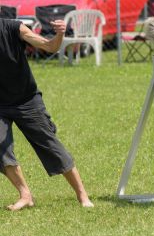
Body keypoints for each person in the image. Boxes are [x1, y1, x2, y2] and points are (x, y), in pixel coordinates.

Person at [0, 17, 94, 210]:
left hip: (26, 100)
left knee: (50, 145)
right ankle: (25, 195)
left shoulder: (12, 27)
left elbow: (49, 47)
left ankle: (82, 195)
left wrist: (59, 34)